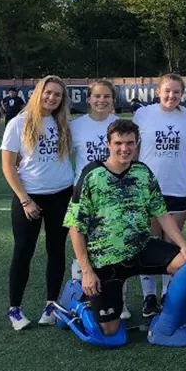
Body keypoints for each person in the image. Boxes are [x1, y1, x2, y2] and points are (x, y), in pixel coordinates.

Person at [65, 119, 186, 337]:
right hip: (105, 258)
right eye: (118, 143)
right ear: (108, 144)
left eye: (130, 143)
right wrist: (87, 271)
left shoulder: (142, 172)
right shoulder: (92, 175)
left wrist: (184, 246)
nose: (124, 148)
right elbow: (75, 227)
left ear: (137, 144)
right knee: (109, 331)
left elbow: (161, 214)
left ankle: (166, 319)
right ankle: (78, 300)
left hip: (140, 248)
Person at [0, 75, 74, 330]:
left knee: (56, 250)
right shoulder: (18, 123)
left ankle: (51, 304)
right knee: (23, 251)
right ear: (38, 92)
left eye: (57, 95)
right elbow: (8, 166)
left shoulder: (62, 122)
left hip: (62, 194)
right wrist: (24, 200)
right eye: (48, 92)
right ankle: (15, 309)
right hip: (29, 197)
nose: (52, 98)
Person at [133, 73, 186, 318]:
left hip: (178, 187)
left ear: (182, 94)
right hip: (148, 189)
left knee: (172, 243)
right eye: (167, 91)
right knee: (148, 243)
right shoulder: (143, 114)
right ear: (158, 92)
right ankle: (149, 296)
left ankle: (168, 292)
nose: (172, 96)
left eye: (177, 92)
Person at [68, 80, 121, 301]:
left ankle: (119, 300)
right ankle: (82, 299)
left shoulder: (120, 123)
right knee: (82, 249)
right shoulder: (75, 126)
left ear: (112, 100)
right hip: (85, 196)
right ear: (88, 99)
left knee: (115, 248)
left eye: (106, 96)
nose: (101, 100)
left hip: (115, 195)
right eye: (97, 96)